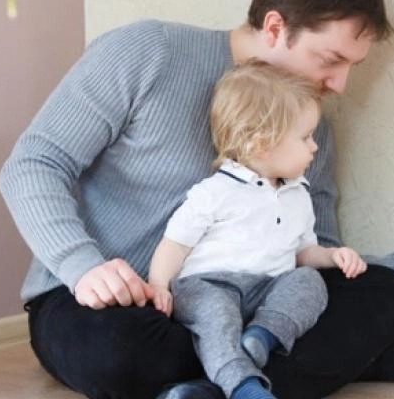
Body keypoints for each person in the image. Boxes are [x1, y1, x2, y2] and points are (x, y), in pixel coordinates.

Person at [0, 0, 394, 399]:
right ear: (275, 27)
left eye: (351, 67)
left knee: (389, 296)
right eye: (331, 59)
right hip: (117, 305)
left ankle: (216, 383)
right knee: (115, 353)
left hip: (251, 305)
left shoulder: (312, 130)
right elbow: (34, 163)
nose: (339, 84)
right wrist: (83, 267)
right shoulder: (146, 52)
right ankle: (313, 368)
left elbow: (313, 252)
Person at [148, 61, 367, 399]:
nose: (315, 147)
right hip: (209, 285)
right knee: (216, 316)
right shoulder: (214, 192)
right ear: (260, 144)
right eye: (305, 137)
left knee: (310, 281)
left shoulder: (298, 193)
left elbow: (303, 252)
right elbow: (174, 245)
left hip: (268, 290)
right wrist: (159, 285)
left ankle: (262, 337)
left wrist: (333, 255)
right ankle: (243, 386)